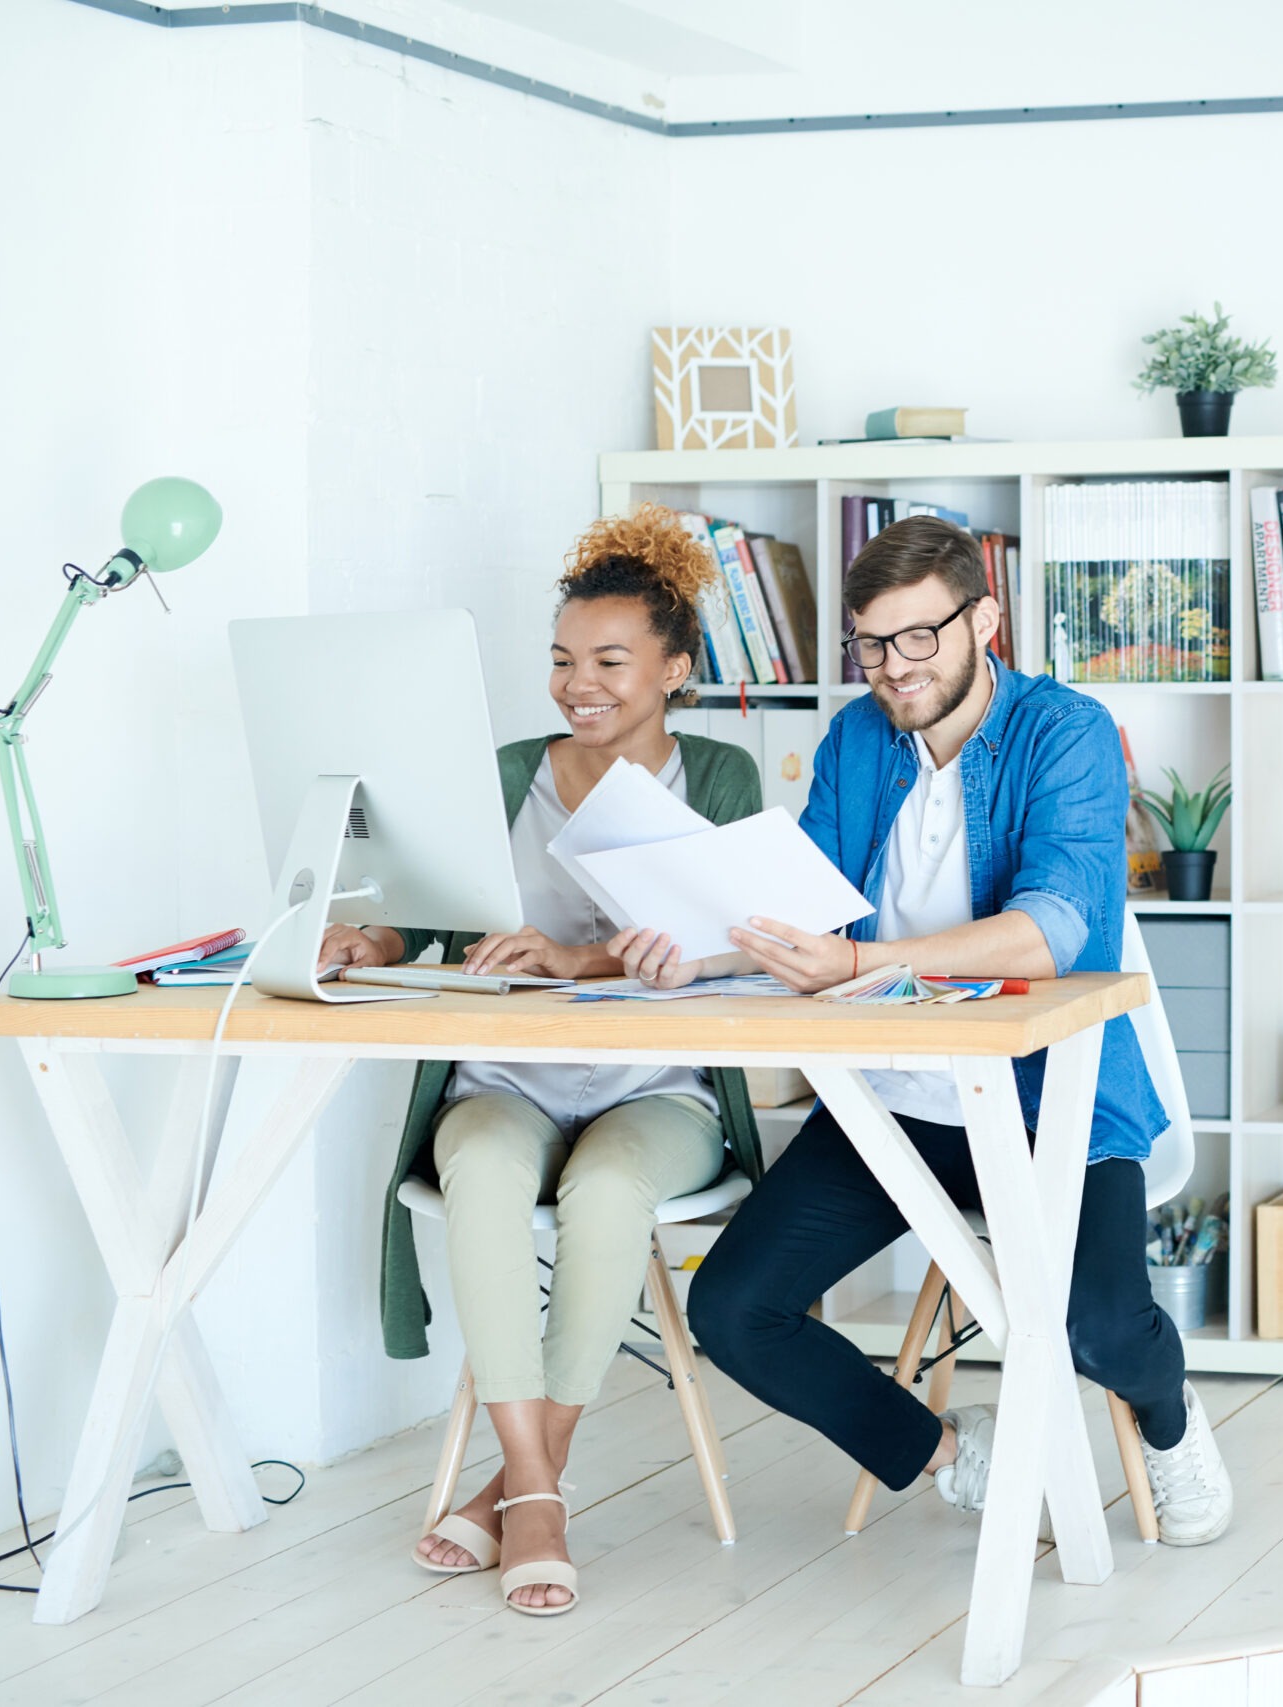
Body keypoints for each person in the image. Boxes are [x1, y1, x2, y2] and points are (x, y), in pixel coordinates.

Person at [613, 514, 1235, 1545]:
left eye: (918, 638)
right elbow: (796, 903)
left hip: (1052, 1105)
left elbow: (1054, 930)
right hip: (894, 1105)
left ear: (983, 618)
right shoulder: (858, 738)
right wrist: (692, 949)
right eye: (870, 644)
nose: (892, 669)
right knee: (734, 1312)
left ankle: (1168, 1424)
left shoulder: (1063, 732)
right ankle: (953, 1453)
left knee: (1098, 1331)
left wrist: (862, 964)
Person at [338, 505, 767, 1612]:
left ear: (674, 669)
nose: (581, 684)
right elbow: (437, 916)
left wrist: (580, 957)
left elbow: (738, 947)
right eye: (565, 660)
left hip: (655, 1088)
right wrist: (374, 939)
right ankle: (535, 1485)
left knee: (608, 1187)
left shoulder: (719, 778)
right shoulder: (510, 770)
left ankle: (521, 1486)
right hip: (508, 1076)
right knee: (476, 1167)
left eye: (612, 661)